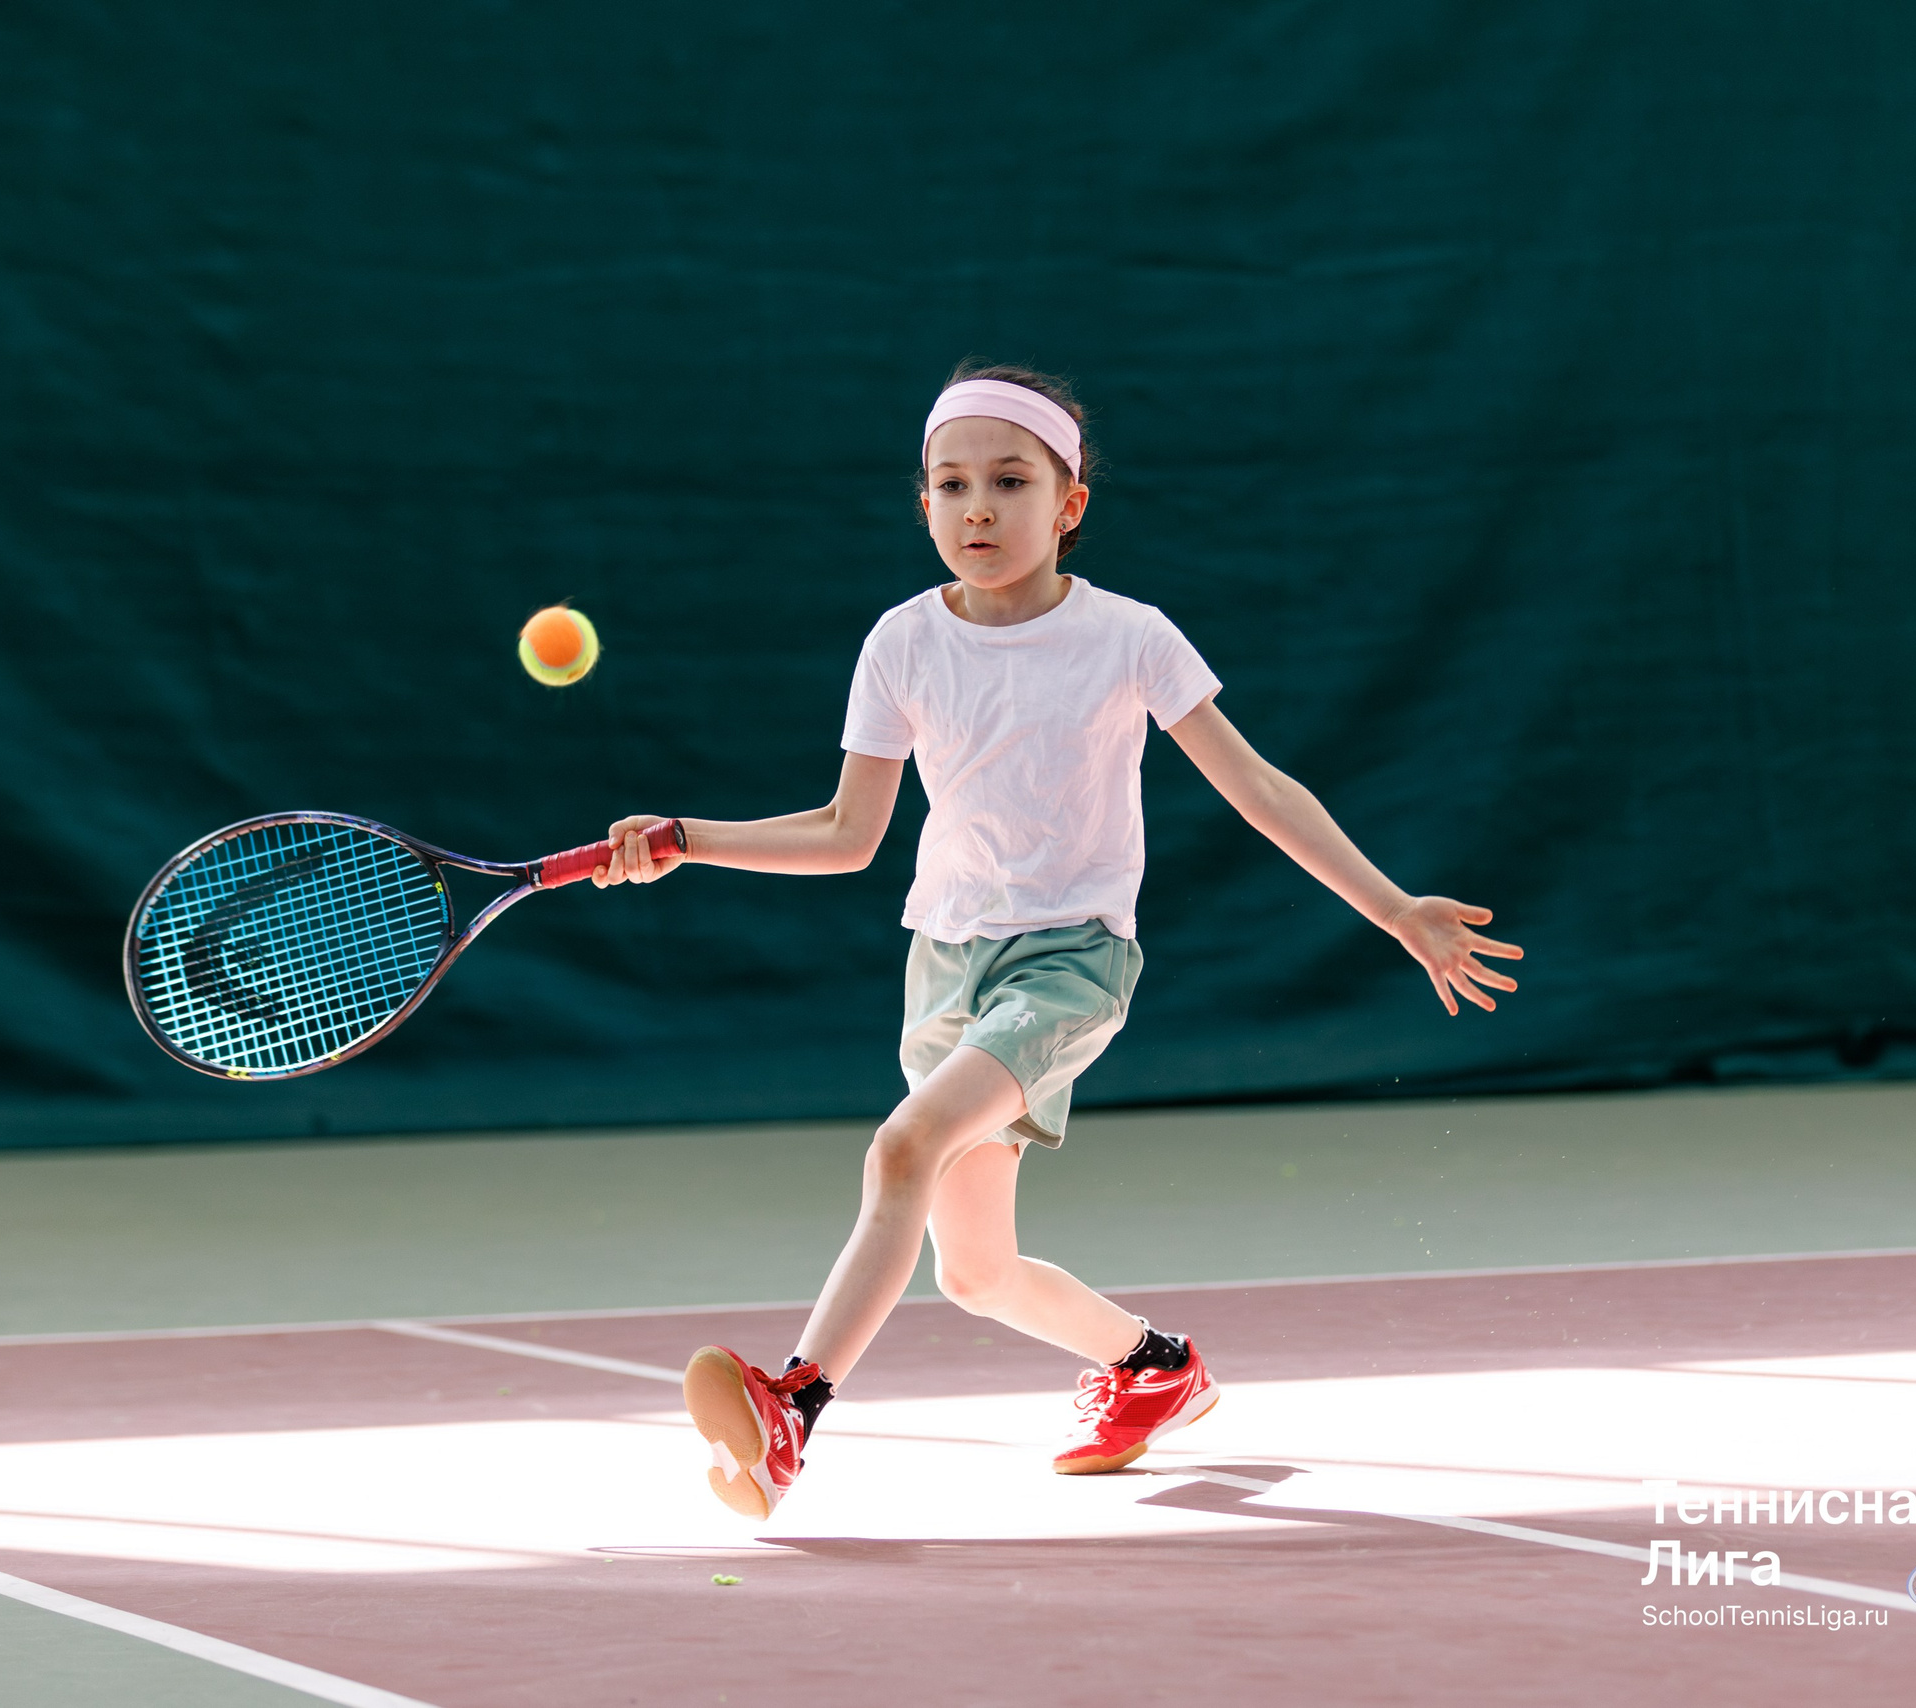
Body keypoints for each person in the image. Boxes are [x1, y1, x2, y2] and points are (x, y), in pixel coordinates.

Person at [591, 364, 1522, 1519]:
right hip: (941, 964)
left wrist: (1395, 909)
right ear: (923, 503)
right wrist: (690, 837)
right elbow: (847, 833)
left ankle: (793, 1406)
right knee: (973, 1270)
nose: (977, 507)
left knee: (900, 1150)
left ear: (1068, 504)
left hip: (1070, 960)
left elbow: (1258, 789)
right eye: (951, 484)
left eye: (1009, 481)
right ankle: (1154, 1367)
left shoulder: (1129, 638)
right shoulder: (900, 643)